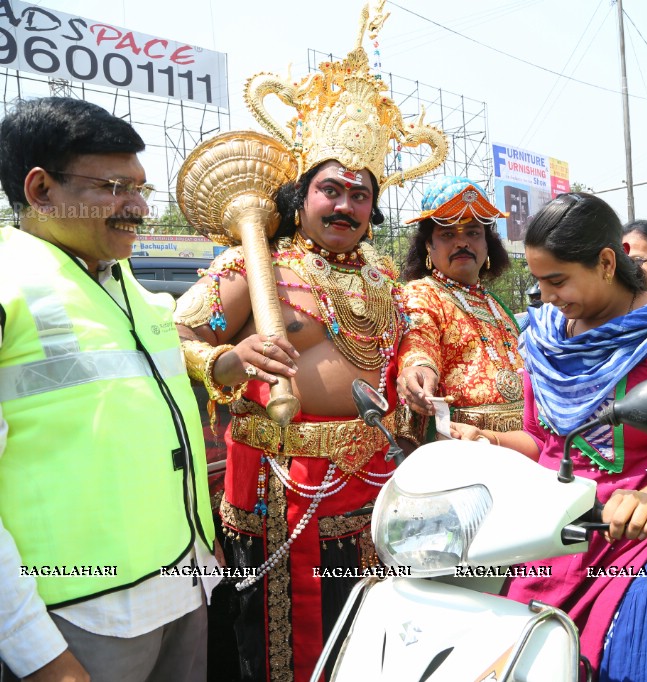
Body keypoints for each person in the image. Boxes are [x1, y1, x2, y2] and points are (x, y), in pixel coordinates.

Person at [173, 27, 447, 682]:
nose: (345, 204)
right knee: (274, 650)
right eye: (331, 189)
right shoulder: (254, 266)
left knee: (368, 634)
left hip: (374, 482)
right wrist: (228, 361)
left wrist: (414, 374)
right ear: (303, 196)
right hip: (278, 486)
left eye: (360, 193)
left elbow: (406, 345)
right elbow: (176, 336)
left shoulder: (386, 281)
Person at [450, 193, 647, 681]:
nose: (545, 297)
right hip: (555, 531)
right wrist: (488, 440)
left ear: (607, 262)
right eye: (539, 281)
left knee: (645, 639)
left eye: (557, 280)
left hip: (641, 537)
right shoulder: (547, 338)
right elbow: (542, 443)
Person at [0, 98, 217, 681]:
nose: (140, 208)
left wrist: (201, 548)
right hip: (77, 620)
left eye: (141, 188)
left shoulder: (125, 284)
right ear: (41, 190)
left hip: (182, 589)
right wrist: (37, 653)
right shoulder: (7, 286)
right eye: (115, 187)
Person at [395, 175, 523, 444]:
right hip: (458, 450)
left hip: (518, 448)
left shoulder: (498, 306)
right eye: (448, 234)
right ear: (429, 245)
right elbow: (419, 341)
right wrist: (419, 371)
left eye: (474, 233)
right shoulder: (422, 294)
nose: (462, 243)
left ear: (487, 244)